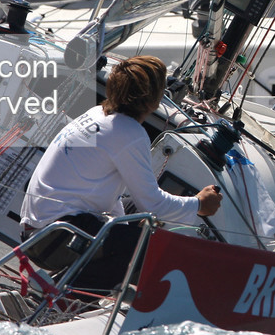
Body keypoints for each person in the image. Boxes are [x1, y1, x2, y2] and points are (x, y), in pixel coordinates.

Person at [20, 55, 221, 292]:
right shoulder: (129, 133)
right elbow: (153, 203)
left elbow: (110, 196)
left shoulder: (98, 114)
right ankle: (63, 300)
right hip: (55, 239)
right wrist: (198, 204)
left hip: (36, 233)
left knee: (133, 228)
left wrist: (126, 224)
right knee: (146, 248)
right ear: (153, 99)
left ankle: (65, 293)